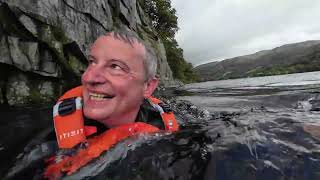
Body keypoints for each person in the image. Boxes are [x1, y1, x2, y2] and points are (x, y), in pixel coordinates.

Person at [43, 30, 179, 178]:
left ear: (148, 87)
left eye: (115, 66)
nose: (88, 77)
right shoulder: (49, 135)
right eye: (92, 62)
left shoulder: (165, 129)